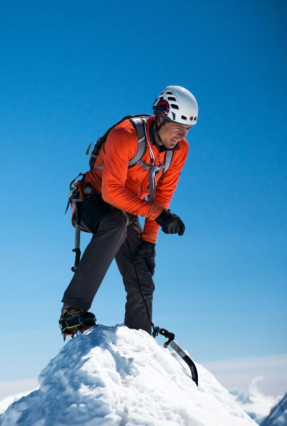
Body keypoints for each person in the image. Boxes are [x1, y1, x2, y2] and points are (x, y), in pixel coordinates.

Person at [59, 85, 198, 337]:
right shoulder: (125, 135)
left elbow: (162, 194)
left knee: (142, 275)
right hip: (94, 199)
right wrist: (158, 215)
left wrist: (149, 241)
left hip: (128, 209)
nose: (182, 135)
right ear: (161, 116)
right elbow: (112, 192)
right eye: (178, 128)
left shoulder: (179, 151)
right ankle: (73, 309)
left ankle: (140, 339)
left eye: (187, 130)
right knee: (115, 225)